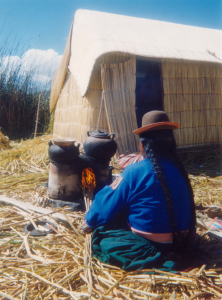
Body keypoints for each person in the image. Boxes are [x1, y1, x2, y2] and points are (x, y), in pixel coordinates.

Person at [82, 110, 203, 271]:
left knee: (102, 235)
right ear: (171, 143)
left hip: (149, 247)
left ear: (142, 146)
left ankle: (158, 260)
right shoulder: (180, 171)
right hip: (182, 244)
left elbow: (106, 205)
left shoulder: (134, 171)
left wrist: (90, 221)